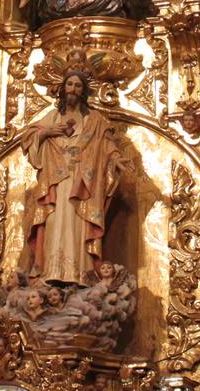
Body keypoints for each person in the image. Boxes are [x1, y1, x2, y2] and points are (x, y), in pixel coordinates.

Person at [19, 71, 132, 285]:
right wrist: (48, 132)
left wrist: (116, 159)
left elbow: (106, 144)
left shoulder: (95, 120)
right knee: (53, 222)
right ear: (63, 88)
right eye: (69, 84)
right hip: (55, 182)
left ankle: (80, 274)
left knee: (78, 226)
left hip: (82, 184)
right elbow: (29, 137)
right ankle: (50, 272)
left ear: (84, 91)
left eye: (78, 85)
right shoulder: (51, 117)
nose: (73, 88)